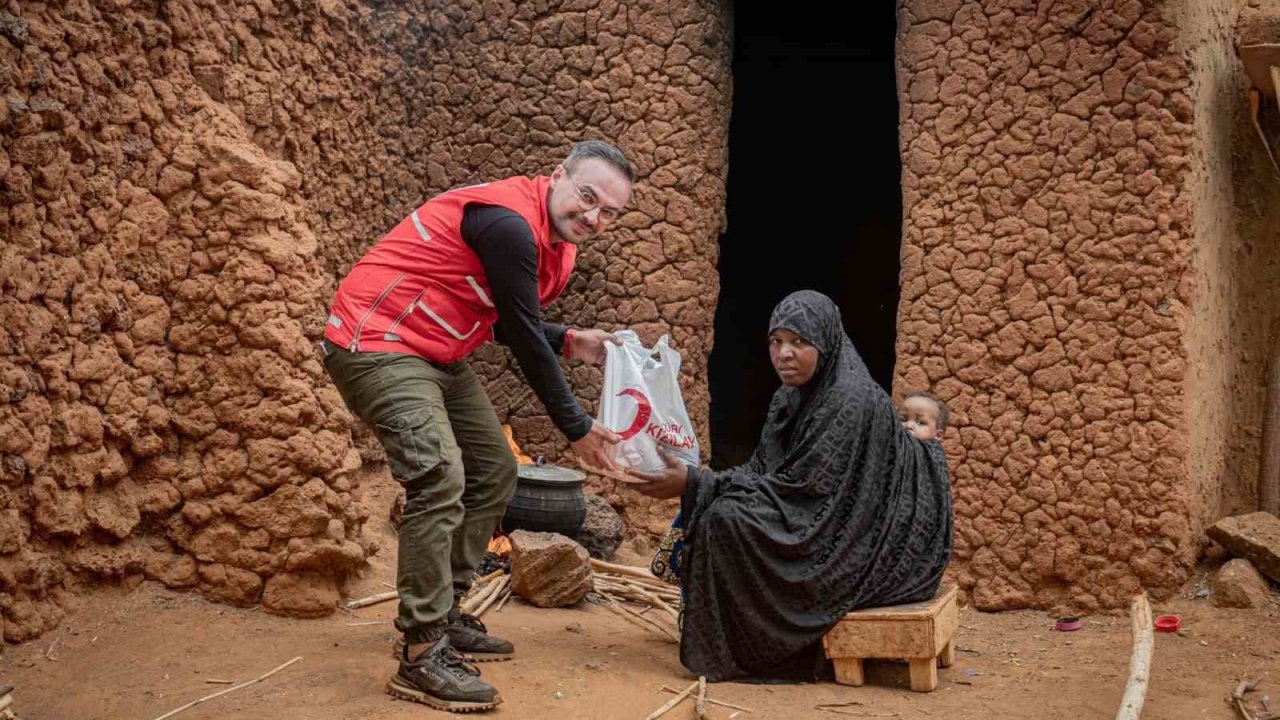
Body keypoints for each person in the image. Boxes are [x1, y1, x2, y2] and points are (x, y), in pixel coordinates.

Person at [321, 141, 635, 711]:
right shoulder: (510, 224)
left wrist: (567, 338)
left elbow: (504, 314)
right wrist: (576, 425)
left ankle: (445, 613)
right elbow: (519, 333)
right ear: (557, 175)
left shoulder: (557, 241)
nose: (593, 217)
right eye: (586, 197)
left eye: (609, 212)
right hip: (378, 341)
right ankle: (420, 654)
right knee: (439, 475)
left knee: (493, 469)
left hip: (435, 348)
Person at [629, 290, 954, 683]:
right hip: (822, 507)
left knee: (726, 520)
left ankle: (762, 647)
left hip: (870, 531)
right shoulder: (789, 398)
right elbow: (766, 471)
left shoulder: (847, 399)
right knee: (720, 514)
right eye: (776, 341)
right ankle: (742, 638)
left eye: (800, 342)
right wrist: (698, 482)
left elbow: (806, 491)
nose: (784, 353)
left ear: (826, 342)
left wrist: (698, 483)